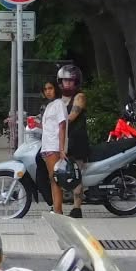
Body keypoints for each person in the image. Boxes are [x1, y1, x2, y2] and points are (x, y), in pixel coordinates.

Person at [57, 64, 89, 218]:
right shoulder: (60, 99)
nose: (68, 83)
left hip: (77, 140)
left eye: (71, 81)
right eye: (65, 80)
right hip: (64, 140)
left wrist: (56, 122)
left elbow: (71, 117)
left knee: (76, 173)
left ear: (76, 82)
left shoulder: (79, 97)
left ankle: (77, 208)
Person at [39, 77, 68, 214]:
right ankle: (57, 208)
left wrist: (61, 148)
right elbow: (49, 126)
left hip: (54, 146)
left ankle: (58, 209)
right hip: (47, 145)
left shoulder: (59, 104)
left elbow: (62, 126)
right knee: (52, 178)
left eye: (50, 88)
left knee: (55, 179)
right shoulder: (49, 106)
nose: (48, 91)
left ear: (55, 89)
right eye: (45, 89)